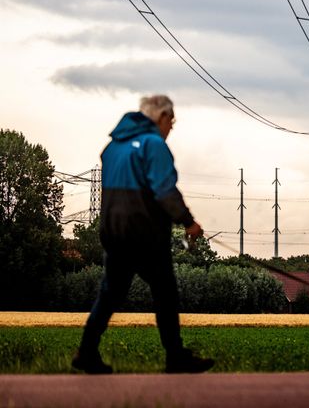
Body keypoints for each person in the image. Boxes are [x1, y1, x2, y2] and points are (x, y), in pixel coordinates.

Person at [72, 95, 214, 374]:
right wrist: (188, 222)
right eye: (171, 121)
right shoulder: (154, 144)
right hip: (145, 232)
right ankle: (175, 357)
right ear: (161, 117)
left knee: (110, 293)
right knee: (165, 292)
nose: (171, 128)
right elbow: (164, 190)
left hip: (112, 231)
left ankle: (87, 351)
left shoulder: (112, 147)